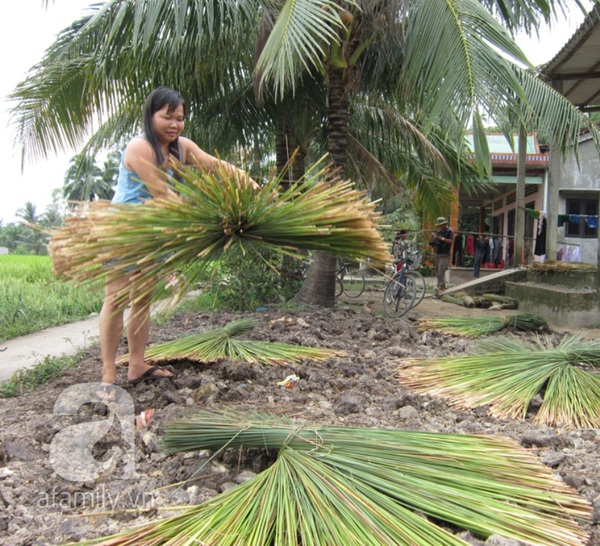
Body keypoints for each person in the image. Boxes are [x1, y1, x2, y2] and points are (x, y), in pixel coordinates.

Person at [98, 86, 256, 400]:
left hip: (156, 235)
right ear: (151, 116)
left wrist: (247, 182)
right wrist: (209, 221)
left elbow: (215, 165)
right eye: (167, 117)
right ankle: (107, 374)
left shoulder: (182, 147)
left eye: (180, 119)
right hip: (125, 232)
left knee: (142, 300)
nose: (175, 125)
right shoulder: (139, 149)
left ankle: (137, 364)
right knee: (116, 299)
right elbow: (166, 197)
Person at [428, 217, 454, 297]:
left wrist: (442, 238)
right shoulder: (439, 231)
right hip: (438, 253)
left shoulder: (450, 231)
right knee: (437, 272)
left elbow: (451, 241)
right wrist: (434, 237)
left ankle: (441, 288)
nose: (439, 227)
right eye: (439, 226)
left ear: (444, 224)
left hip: (445, 254)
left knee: (441, 271)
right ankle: (440, 287)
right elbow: (436, 241)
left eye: (441, 225)